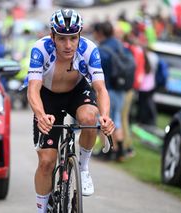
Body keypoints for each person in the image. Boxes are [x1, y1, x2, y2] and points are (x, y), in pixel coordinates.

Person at [26, 9, 115, 213]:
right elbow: (33, 89)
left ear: (79, 36)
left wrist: (106, 117)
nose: (68, 45)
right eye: (62, 39)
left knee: (89, 118)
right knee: (46, 162)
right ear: (53, 37)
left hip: (76, 91)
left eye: (73, 38)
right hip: (47, 97)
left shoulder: (89, 49)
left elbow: (100, 88)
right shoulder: (40, 49)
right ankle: (42, 209)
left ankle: (83, 168)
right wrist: (41, 115)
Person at [92, 21, 128, 162]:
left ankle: (108, 151)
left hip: (108, 90)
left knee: (105, 120)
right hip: (121, 88)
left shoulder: (102, 50)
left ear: (99, 33)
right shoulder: (119, 44)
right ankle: (120, 151)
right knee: (116, 119)